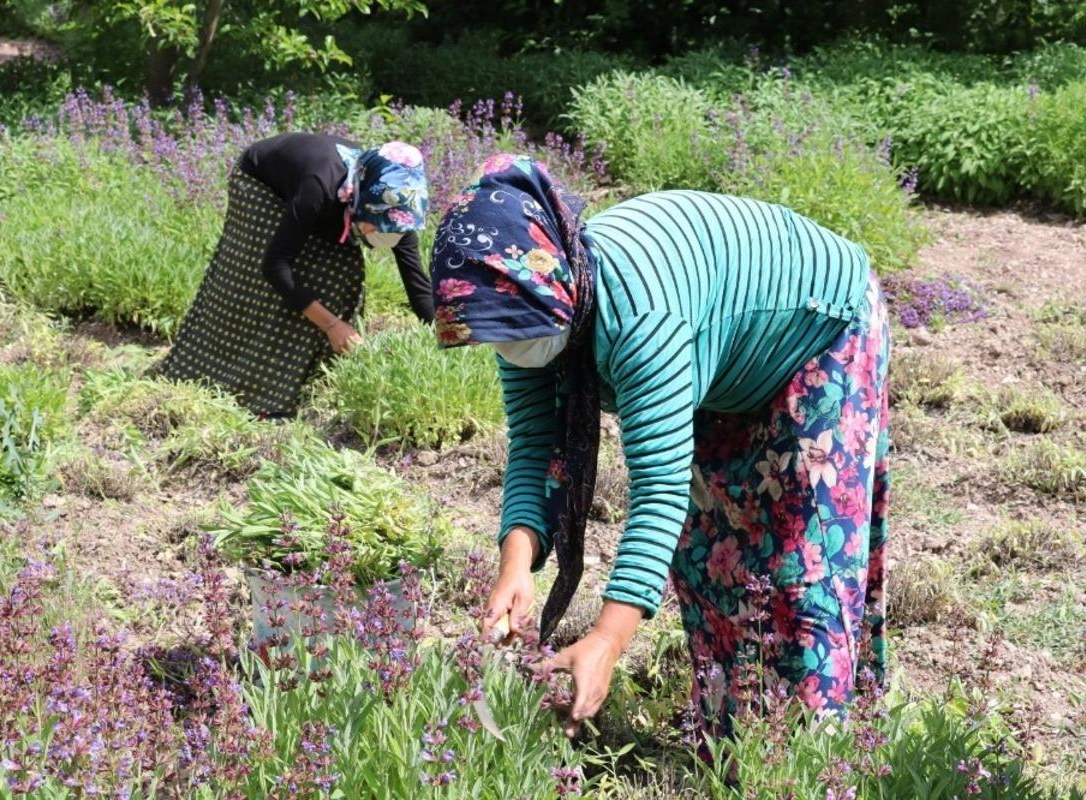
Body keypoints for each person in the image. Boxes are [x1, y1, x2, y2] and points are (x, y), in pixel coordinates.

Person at [430, 154, 890, 738]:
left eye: (506, 327)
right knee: (708, 555)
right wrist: (516, 565)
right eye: (487, 332)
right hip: (722, 348)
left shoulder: (638, 318)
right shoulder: (532, 317)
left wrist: (605, 641)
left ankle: (812, 756)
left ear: (552, 287)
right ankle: (734, 740)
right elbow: (533, 448)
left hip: (819, 327)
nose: (504, 346)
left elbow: (658, 491)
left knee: (804, 566)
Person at [156, 133, 434, 417]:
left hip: (324, 201)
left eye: (393, 230)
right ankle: (227, 374)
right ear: (363, 202)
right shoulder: (320, 189)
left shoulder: (398, 211)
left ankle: (314, 373)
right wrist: (331, 325)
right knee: (258, 287)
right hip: (262, 185)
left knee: (341, 277)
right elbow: (275, 266)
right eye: (377, 227)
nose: (387, 236)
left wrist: (446, 339)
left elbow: (417, 284)